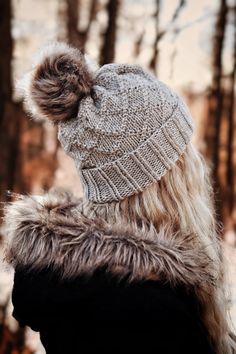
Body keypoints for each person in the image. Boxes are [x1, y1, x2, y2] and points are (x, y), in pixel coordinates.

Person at [3, 42, 236, 354]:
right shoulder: (156, 313)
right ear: (166, 181)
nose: (195, 163)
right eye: (184, 151)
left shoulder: (61, 281)